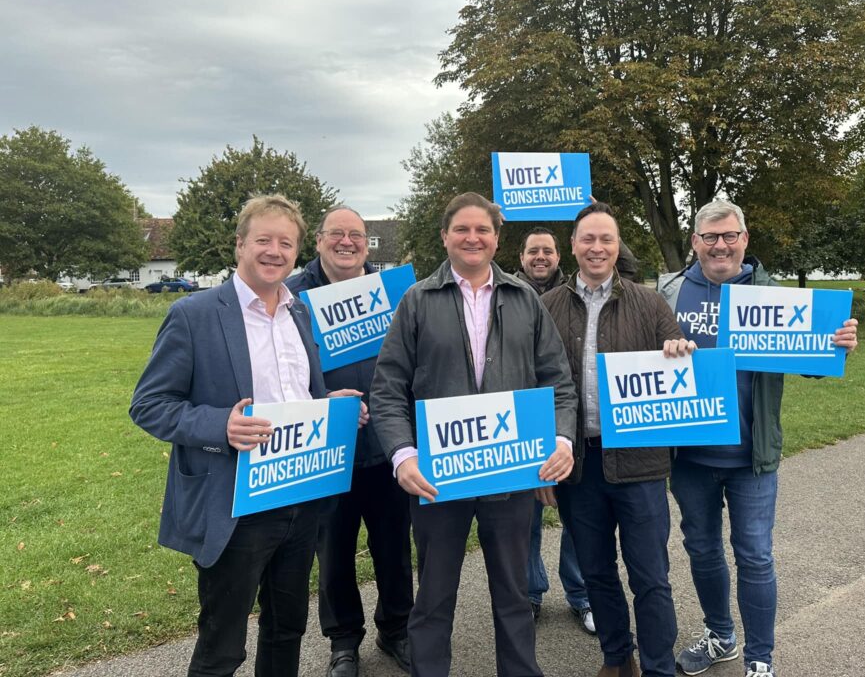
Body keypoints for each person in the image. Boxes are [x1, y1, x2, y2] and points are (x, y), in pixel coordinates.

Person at [129, 195, 367, 677]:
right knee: (223, 644)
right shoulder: (194, 314)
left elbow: (296, 391)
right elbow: (149, 405)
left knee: (286, 631)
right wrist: (222, 425)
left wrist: (328, 403)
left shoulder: (300, 313)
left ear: (298, 251)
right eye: (264, 240)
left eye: (286, 243)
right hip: (235, 503)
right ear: (240, 245)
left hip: (300, 495)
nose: (274, 251)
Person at [371, 192, 578, 677]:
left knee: (513, 594)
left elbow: (559, 382)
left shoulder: (524, 298)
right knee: (434, 596)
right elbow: (387, 388)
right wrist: (404, 457)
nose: (472, 237)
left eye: (482, 230)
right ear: (445, 236)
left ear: (496, 238)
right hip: (439, 478)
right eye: (462, 229)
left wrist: (562, 442)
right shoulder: (417, 299)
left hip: (511, 476)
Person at [657, 199, 859, 677]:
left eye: (729, 235)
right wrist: (662, 350)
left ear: (745, 240)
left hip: (752, 455)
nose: (720, 244)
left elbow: (807, 361)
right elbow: (645, 353)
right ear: (695, 242)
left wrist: (837, 344)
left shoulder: (772, 294)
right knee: (702, 549)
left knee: (754, 555)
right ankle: (721, 636)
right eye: (709, 236)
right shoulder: (669, 291)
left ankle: (760, 659)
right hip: (688, 455)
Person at [541, 202, 696, 677]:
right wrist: (541, 462)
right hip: (578, 464)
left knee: (651, 577)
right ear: (574, 246)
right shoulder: (546, 307)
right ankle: (615, 658)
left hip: (640, 465)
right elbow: (534, 384)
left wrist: (678, 349)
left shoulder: (649, 303)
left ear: (617, 245)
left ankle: (657, 668)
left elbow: (681, 357)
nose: (597, 248)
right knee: (597, 572)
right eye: (588, 239)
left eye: (606, 239)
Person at [286, 205, 414, 677]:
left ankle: (397, 628)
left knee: (394, 545)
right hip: (326, 449)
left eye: (356, 235)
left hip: (389, 443)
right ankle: (343, 641)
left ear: (367, 243)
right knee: (333, 551)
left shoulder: (393, 294)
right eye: (336, 234)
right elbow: (277, 372)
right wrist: (322, 398)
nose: (347, 242)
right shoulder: (292, 296)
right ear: (318, 241)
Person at [515, 227, 594, 634]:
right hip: (526, 424)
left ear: (560, 256)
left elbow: (625, 266)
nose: (540, 257)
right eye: (533, 251)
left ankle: (579, 594)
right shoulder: (506, 293)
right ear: (522, 255)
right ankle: (530, 592)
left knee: (577, 517)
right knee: (525, 519)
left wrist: (595, 210)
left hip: (575, 423)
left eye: (548, 250)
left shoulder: (574, 293)